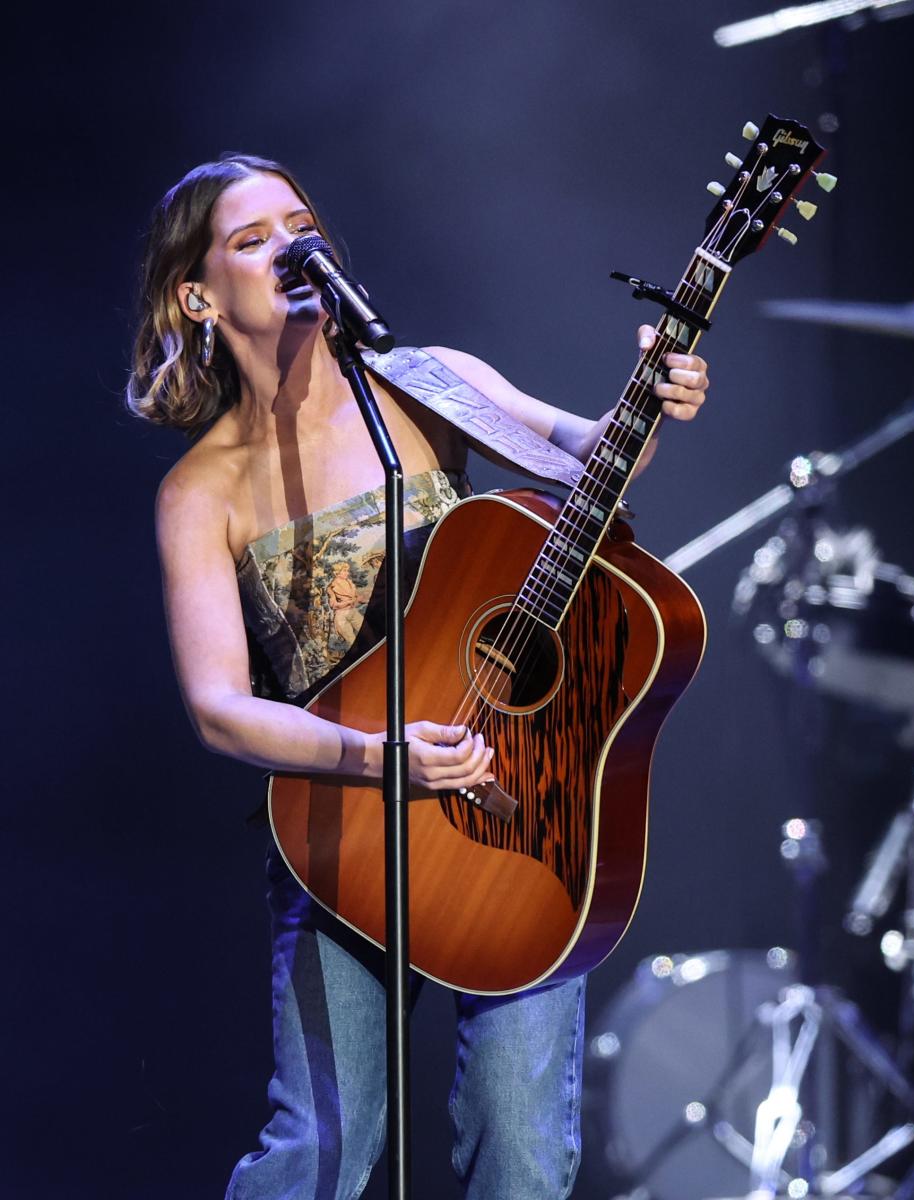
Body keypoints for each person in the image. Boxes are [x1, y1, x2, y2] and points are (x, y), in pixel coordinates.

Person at [126, 152, 710, 1200]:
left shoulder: (426, 380)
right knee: (318, 1152)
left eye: (300, 225)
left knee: (522, 1152)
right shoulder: (197, 492)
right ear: (199, 294)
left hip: (513, 825)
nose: (291, 249)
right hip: (341, 833)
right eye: (253, 239)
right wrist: (376, 753)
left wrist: (653, 398)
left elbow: (589, 466)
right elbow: (219, 709)